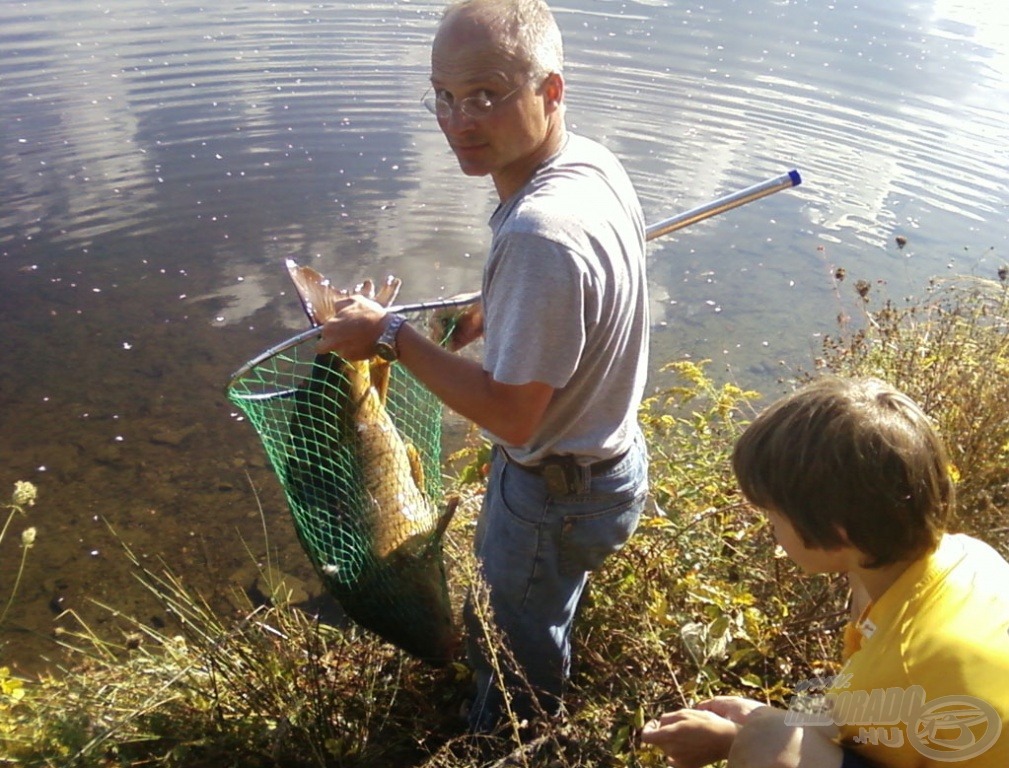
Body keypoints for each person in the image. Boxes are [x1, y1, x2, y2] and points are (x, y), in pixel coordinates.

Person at [316, 0, 650, 733]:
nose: (458, 120)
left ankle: (509, 742)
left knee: (510, 662)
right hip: (611, 463)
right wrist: (498, 309)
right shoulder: (589, 162)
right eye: (443, 95)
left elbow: (510, 414)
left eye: (486, 94)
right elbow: (582, 297)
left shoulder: (539, 233)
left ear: (550, 91)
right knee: (544, 606)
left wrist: (392, 336)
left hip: (554, 493)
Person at [640, 376, 1009, 768]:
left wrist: (737, 741)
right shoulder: (965, 556)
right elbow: (861, 717)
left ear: (836, 534)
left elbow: (849, 729)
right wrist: (758, 715)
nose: (771, 531)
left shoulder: (905, 661)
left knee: (767, 744)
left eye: (772, 517)